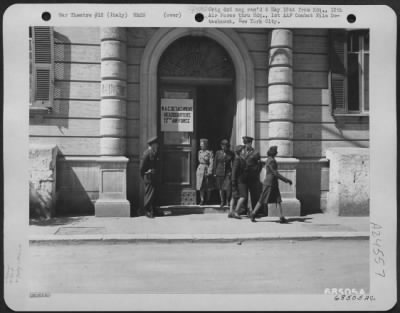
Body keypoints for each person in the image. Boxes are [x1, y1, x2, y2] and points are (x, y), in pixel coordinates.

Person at [249, 145, 293, 223]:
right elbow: (275, 173)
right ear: (274, 153)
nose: (277, 152)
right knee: (262, 199)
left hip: (272, 183)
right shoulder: (271, 161)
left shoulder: (269, 159)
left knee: (278, 199)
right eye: (276, 151)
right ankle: (253, 213)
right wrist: (286, 180)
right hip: (270, 183)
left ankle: (281, 217)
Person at [139, 136, 160, 218]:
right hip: (148, 177)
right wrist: (145, 174)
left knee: (154, 194)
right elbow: (141, 167)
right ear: (152, 145)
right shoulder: (146, 154)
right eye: (156, 144)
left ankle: (154, 210)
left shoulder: (154, 152)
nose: (157, 146)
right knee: (149, 194)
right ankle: (147, 211)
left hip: (154, 176)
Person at [240, 136, 262, 215]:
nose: (246, 145)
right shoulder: (241, 152)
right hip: (243, 176)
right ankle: (243, 209)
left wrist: (256, 173)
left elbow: (259, 165)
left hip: (252, 177)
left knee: (254, 194)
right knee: (244, 193)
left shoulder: (256, 152)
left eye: (247, 143)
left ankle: (255, 211)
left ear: (250, 143)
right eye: (245, 143)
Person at [213, 139, 235, 207]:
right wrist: (214, 172)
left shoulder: (231, 153)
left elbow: (234, 163)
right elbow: (215, 163)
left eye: (225, 146)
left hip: (228, 173)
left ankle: (228, 201)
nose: (224, 147)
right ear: (221, 146)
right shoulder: (218, 153)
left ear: (227, 146)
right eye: (222, 146)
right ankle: (222, 201)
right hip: (219, 172)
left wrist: (232, 172)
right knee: (221, 188)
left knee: (228, 188)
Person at [228, 145, 246, 219]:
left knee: (234, 196)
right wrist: (233, 182)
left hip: (238, 180)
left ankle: (230, 212)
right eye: (243, 150)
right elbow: (234, 172)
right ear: (240, 151)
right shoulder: (237, 160)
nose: (244, 151)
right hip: (240, 181)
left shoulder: (240, 159)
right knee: (243, 196)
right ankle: (236, 211)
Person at [196, 138, 214, 205]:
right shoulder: (199, 152)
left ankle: (208, 199)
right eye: (200, 145)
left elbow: (211, 162)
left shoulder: (209, 152)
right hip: (200, 169)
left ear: (206, 145)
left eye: (202, 145)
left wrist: (210, 171)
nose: (201, 146)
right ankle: (202, 199)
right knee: (201, 186)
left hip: (206, 168)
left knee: (208, 185)